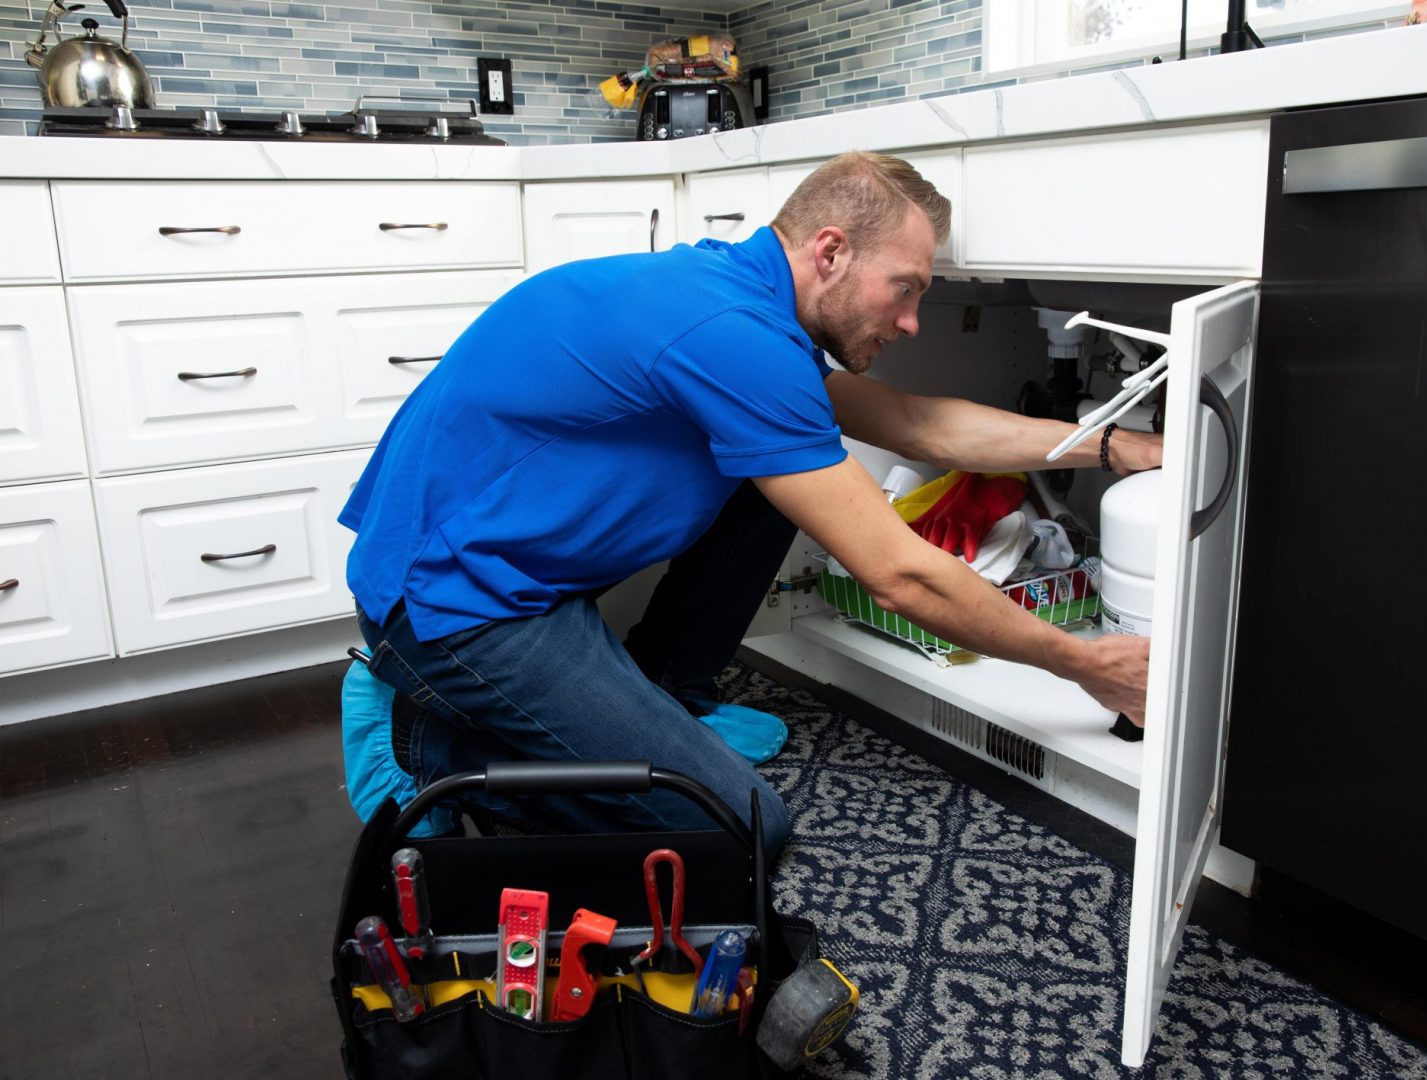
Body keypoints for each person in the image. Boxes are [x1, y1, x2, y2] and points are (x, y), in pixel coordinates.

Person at [339, 151, 1159, 858]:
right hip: (456, 608)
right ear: (830, 251)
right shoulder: (735, 337)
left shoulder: (733, 297)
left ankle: (662, 694)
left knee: (785, 486)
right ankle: (431, 753)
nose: (911, 322)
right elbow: (900, 579)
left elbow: (917, 424)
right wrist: (1085, 663)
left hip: (495, 565)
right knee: (737, 827)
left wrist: (1115, 445)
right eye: (903, 290)